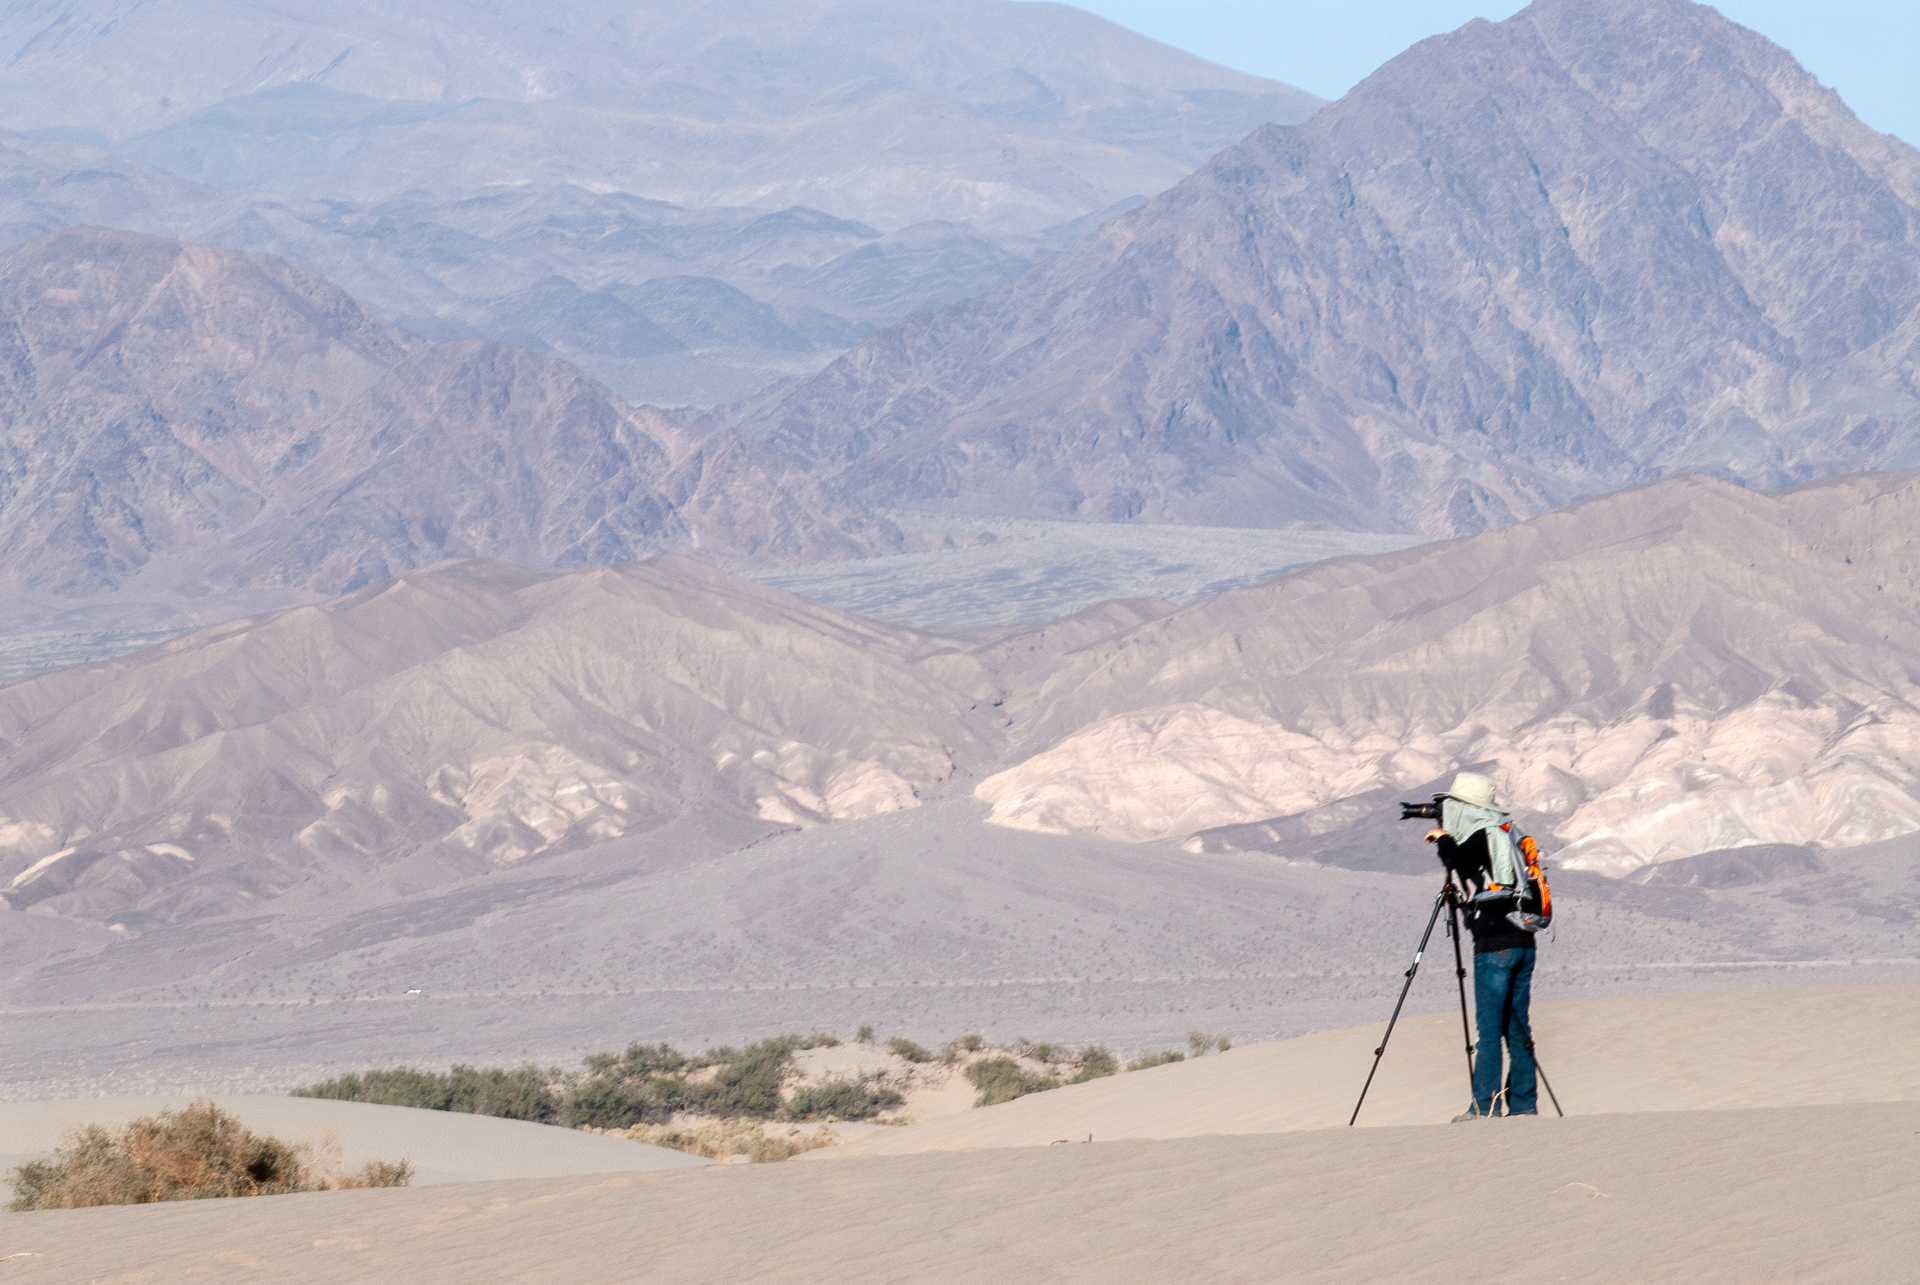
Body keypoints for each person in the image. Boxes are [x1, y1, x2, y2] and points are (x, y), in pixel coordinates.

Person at [1425, 770, 1538, 1119]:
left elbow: (1456, 861)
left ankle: (1484, 1107)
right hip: (1524, 939)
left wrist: (1443, 839)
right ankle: (1524, 1106)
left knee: (1488, 1031)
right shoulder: (1510, 833)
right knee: (1517, 1029)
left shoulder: (1480, 835)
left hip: (1494, 945)